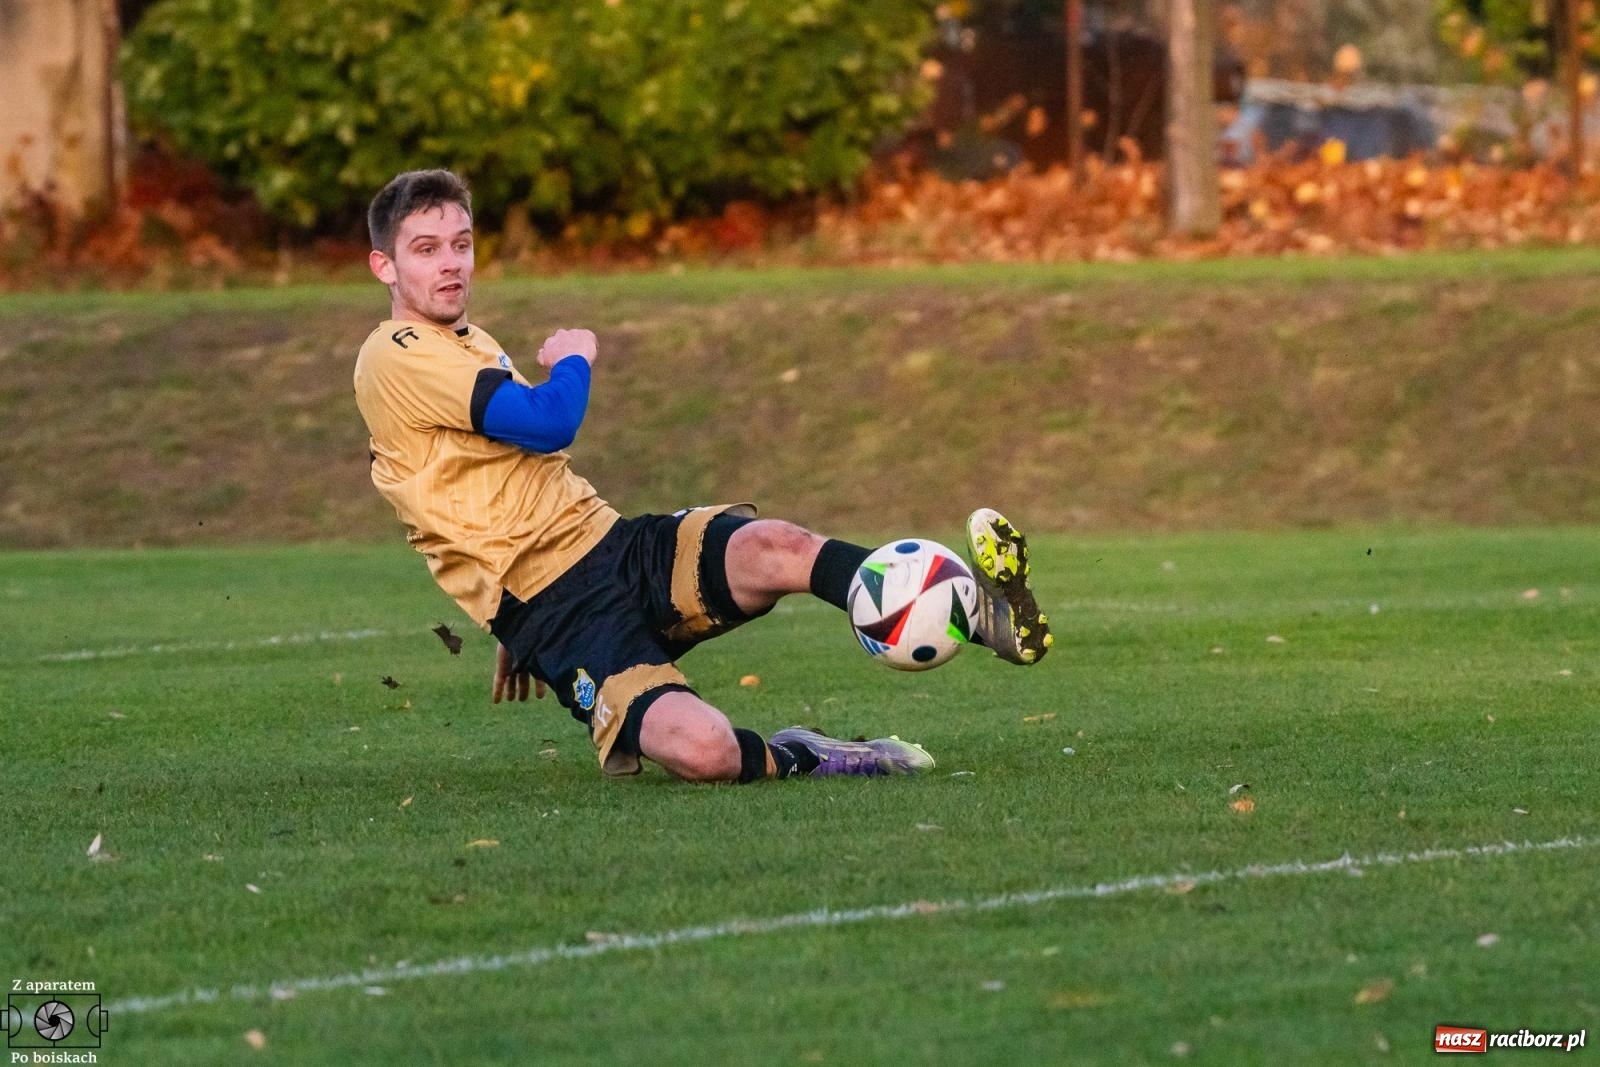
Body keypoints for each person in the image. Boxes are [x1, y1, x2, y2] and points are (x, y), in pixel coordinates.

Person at [353, 168, 1051, 784]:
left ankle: (969, 606)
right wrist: (574, 357)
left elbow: (473, 480)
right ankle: (812, 753)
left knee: (775, 545)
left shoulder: (464, 341)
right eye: (426, 249)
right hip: (562, 613)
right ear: (384, 266)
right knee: (706, 751)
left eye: (462, 244)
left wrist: (499, 609)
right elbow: (546, 423)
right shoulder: (396, 352)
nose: (451, 264)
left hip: (610, 545)